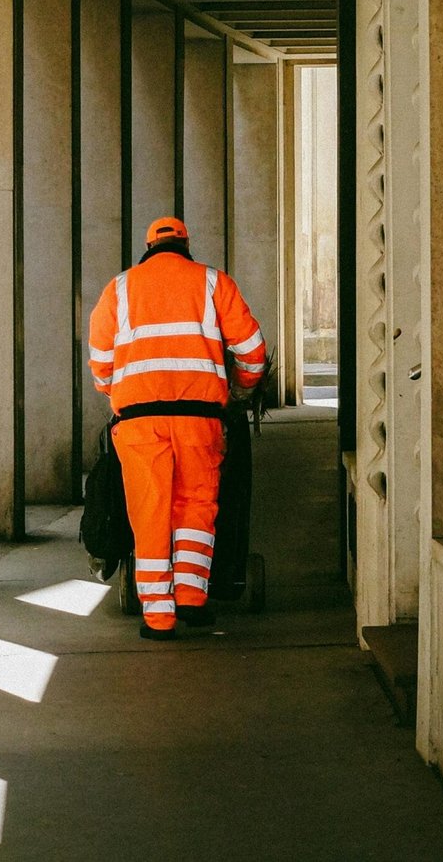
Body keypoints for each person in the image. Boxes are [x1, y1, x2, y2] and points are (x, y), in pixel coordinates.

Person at [88, 216, 267, 640]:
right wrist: (239, 388)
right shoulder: (213, 282)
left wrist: (118, 389)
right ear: (186, 245)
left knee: (149, 511)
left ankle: (158, 619)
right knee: (196, 505)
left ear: (147, 248)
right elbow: (253, 354)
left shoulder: (119, 289)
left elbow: (100, 361)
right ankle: (191, 598)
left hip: (138, 421)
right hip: (199, 417)